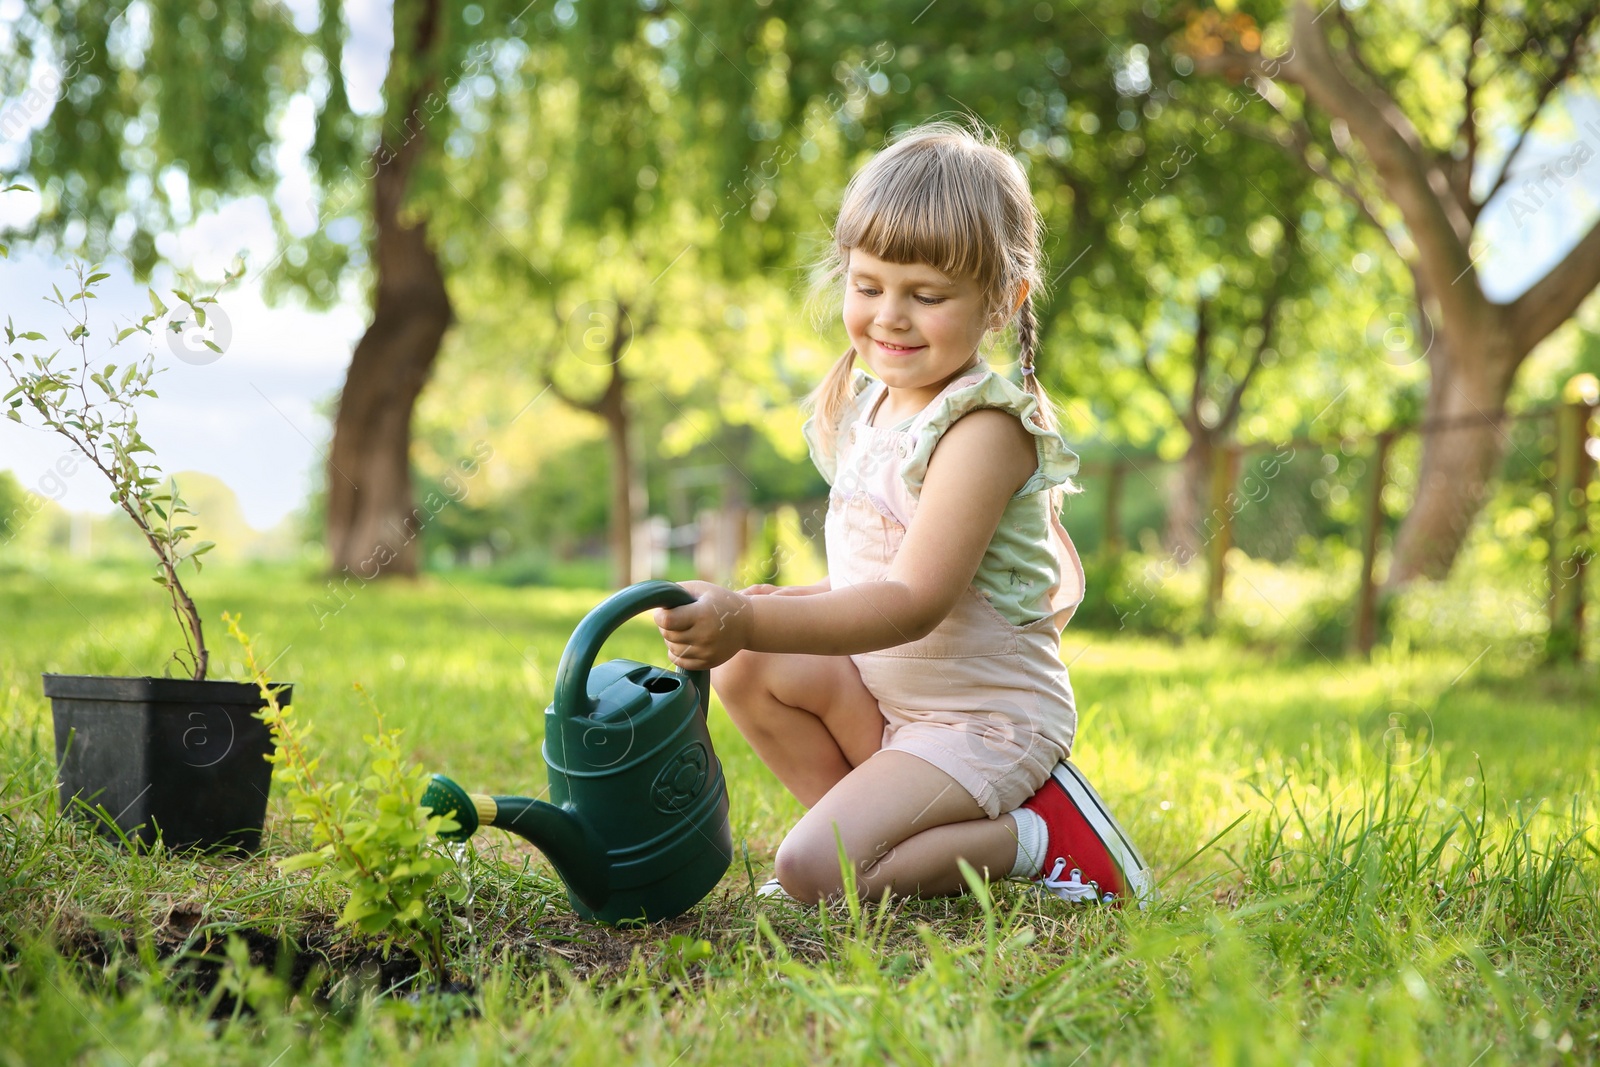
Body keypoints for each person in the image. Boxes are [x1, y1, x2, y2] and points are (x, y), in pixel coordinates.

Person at [654, 120, 1150, 908]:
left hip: (981, 723)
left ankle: (1042, 837)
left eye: (926, 295)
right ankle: (863, 841)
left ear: (1001, 300)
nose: (889, 316)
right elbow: (863, 579)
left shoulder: (982, 429)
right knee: (744, 666)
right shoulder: (872, 407)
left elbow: (912, 601)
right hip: (895, 711)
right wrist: (750, 616)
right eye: (868, 285)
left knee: (811, 872)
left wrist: (748, 615)